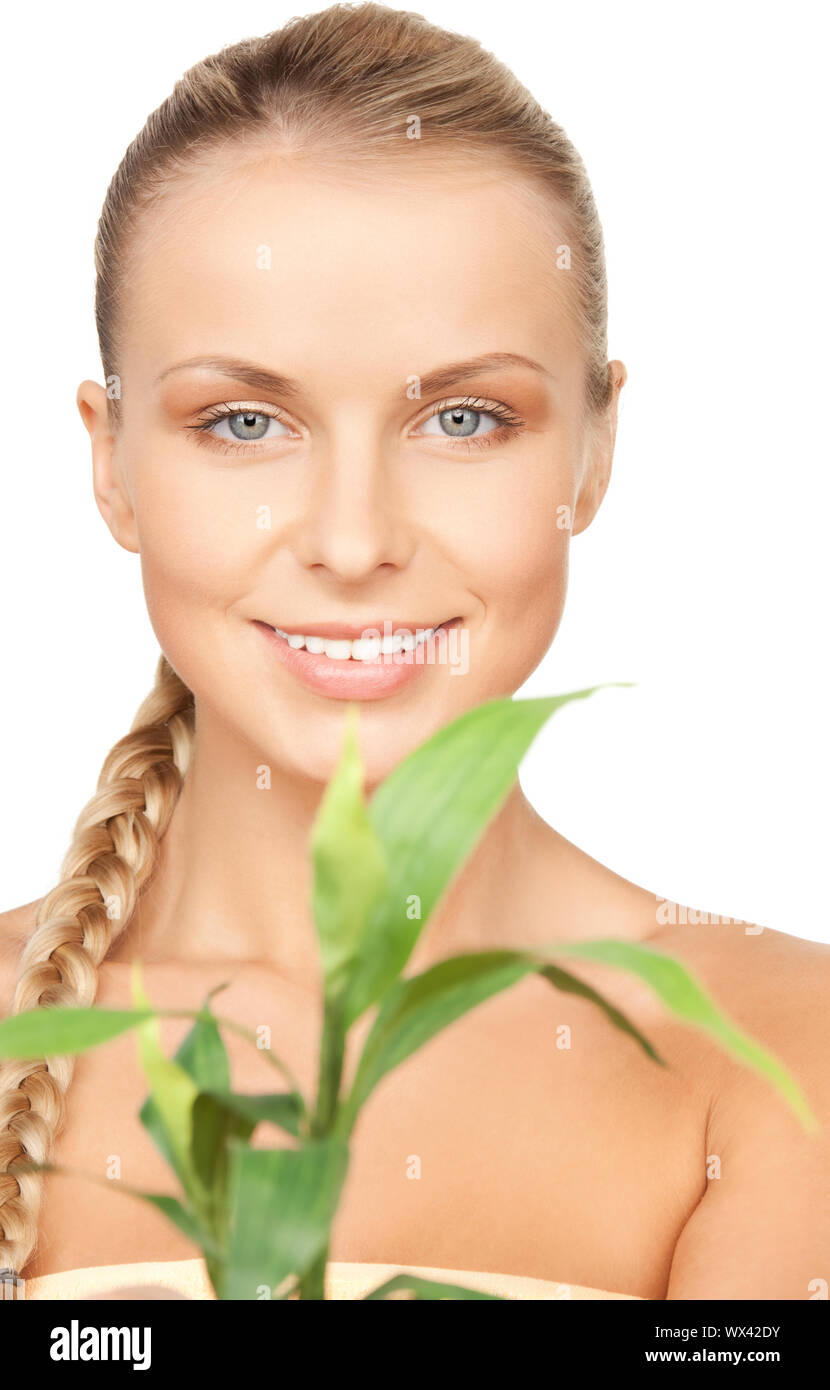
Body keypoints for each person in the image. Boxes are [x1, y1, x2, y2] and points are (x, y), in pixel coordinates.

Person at [1, 3, 827, 1301]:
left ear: (593, 448)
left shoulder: (782, 1056)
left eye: (459, 416)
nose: (350, 537)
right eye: (241, 420)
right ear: (109, 463)